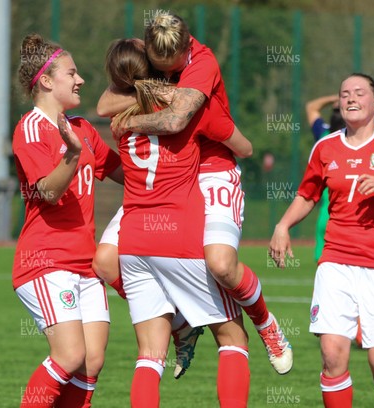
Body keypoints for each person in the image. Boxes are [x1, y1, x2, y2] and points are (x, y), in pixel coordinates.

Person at [97, 11, 293, 377]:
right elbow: (104, 104)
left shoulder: (202, 63)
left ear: (186, 50)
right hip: (165, 183)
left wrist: (133, 118)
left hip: (210, 171)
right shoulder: (151, 54)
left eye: (169, 67)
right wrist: (148, 90)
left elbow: (179, 121)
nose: (161, 71)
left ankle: (266, 325)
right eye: (155, 66)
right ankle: (181, 325)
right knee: (106, 262)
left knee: (220, 264)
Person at [103, 38, 252, 407]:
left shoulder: (118, 120)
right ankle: (201, 324)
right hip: (177, 227)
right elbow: (243, 147)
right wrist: (171, 95)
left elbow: (105, 103)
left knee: (148, 353)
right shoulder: (192, 108)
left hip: (139, 233)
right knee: (232, 336)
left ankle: (180, 324)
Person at [270, 73, 374, 408]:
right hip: (336, 262)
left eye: (359, 93)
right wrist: (283, 225)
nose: (350, 99)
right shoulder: (325, 146)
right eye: (345, 94)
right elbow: (307, 194)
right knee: (332, 356)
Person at [12, 33, 123, 408]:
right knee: (70, 356)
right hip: (45, 262)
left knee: (91, 362)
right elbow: (46, 192)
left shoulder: (84, 129)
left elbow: (125, 171)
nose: (81, 80)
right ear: (46, 80)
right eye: (72, 73)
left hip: (86, 265)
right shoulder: (31, 129)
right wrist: (71, 156)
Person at [306, 95, 374, 348]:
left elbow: (311, 106)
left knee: (331, 275)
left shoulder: (323, 138)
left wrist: (334, 99)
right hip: (354, 215)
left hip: (328, 215)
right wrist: (357, 101)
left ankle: (336, 325)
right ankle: (362, 331)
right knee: (362, 278)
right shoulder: (367, 135)